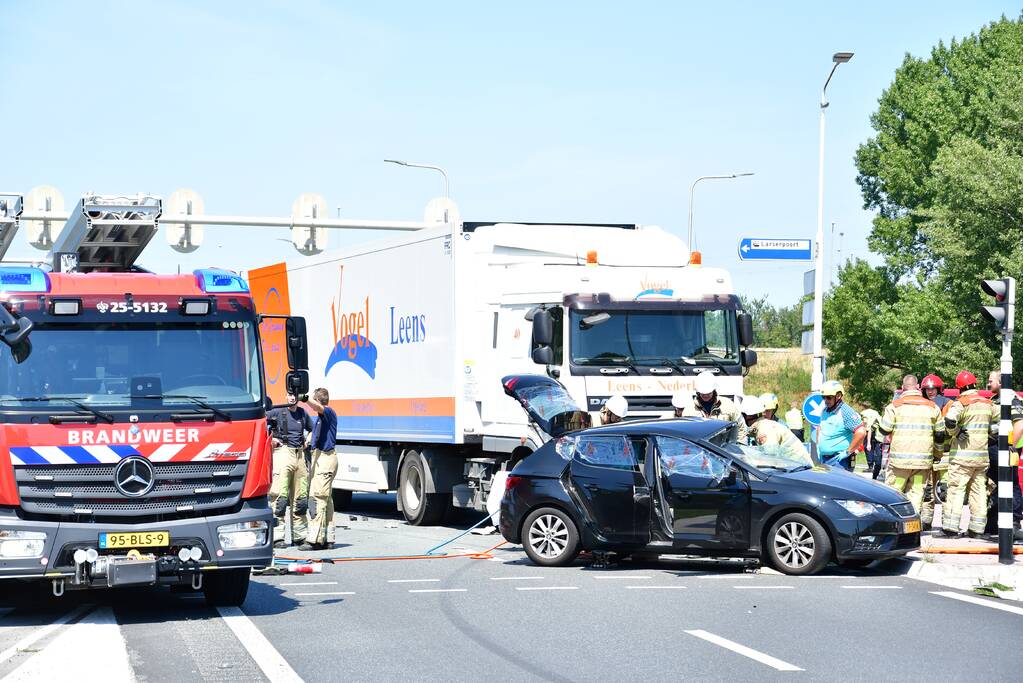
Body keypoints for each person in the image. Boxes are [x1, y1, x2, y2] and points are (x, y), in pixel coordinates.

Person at [941, 371, 998, 538]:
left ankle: (950, 528)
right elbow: (1001, 421)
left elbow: (949, 420)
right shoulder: (988, 403)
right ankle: (977, 530)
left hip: (962, 458)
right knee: (979, 493)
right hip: (981, 459)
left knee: (956, 491)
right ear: (974, 384)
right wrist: (990, 433)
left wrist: (956, 432)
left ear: (959, 387)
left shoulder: (961, 403)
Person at [877, 375, 943, 514]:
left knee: (894, 493)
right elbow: (940, 435)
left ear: (902, 388)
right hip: (922, 463)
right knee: (916, 492)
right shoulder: (933, 407)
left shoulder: (894, 406)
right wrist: (938, 454)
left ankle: (896, 522)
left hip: (899, 464)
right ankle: (913, 522)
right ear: (918, 387)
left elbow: (885, 429)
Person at [268, 393, 313, 548]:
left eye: (295, 395)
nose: (292, 398)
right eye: (290, 395)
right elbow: (259, 424)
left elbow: (312, 429)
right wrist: (271, 439)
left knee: (301, 498)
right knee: (280, 497)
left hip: (299, 455)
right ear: (286, 396)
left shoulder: (302, 413)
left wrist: (308, 440)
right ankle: (277, 538)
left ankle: (300, 536)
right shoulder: (276, 412)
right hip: (283, 453)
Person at [301, 387, 339, 551]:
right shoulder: (319, 419)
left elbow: (318, 407)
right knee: (326, 500)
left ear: (317, 400)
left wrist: (303, 397)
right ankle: (328, 538)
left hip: (325, 459)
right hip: (320, 458)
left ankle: (314, 540)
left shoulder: (328, 412)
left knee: (317, 499)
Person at [679, 371, 747, 443]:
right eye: (702, 393)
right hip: (699, 448)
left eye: (708, 393)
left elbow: (740, 427)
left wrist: (739, 445)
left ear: (714, 390)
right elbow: (684, 434)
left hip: (724, 447)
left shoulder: (728, 405)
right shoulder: (689, 410)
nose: (705, 395)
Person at [920, 374, 951, 528]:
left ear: (939, 389)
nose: (930, 391)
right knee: (927, 490)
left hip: (945, 453)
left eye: (933, 389)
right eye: (927, 389)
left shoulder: (949, 404)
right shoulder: (922, 405)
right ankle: (925, 521)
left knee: (945, 490)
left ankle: (948, 523)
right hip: (927, 452)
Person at [740, 396, 810, 464]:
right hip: (795, 466)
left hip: (799, 467)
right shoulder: (762, 426)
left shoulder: (765, 429)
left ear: (748, 416)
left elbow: (770, 460)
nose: (741, 417)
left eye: (742, 414)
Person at [817, 380, 866, 471]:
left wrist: (848, 452)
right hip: (824, 458)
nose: (825, 400)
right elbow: (820, 428)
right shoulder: (825, 410)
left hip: (840, 461)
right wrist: (818, 446)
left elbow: (861, 432)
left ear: (838, 396)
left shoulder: (845, 412)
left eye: (829, 397)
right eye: (823, 397)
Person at [860, 406, 883, 478]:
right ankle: (874, 467)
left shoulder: (864, 414)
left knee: (868, 448)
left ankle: (870, 466)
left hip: (870, 433)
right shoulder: (876, 414)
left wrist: (868, 443)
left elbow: (866, 426)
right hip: (876, 435)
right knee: (874, 451)